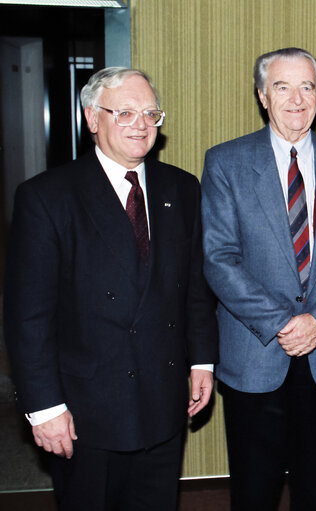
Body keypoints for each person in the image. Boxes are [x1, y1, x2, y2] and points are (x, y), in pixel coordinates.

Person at [3, 67, 218, 510]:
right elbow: (28, 316)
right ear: (91, 118)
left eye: (150, 113)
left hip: (162, 398)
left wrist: (201, 360)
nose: (141, 124)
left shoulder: (182, 188)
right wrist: (45, 408)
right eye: (124, 112)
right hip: (86, 409)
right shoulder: (48, 197)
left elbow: (194, 287)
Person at [201, 47, 316, 510]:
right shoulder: (226, 163)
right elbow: (219, 258)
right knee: (253, 491)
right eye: (283, 86)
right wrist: (285, 322)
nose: (297, 99)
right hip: (256, 352)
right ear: (263, 96)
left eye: (307, 87)